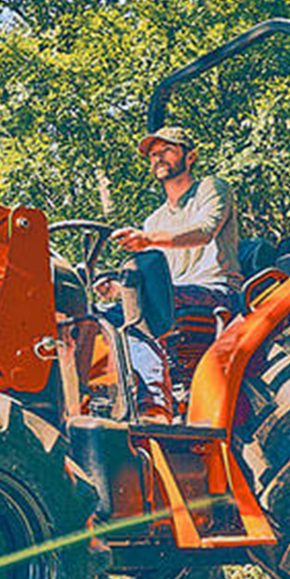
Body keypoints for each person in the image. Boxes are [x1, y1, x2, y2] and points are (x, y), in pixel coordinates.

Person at [98, 125, 241, 410]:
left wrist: (148, 239)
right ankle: (104, 400)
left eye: (167, 150)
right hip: (171, 294)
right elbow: (153, 278)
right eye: (153, 154)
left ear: (190, 157)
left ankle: (154, 403)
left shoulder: (210, 188)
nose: (158, 158)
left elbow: (205, 230)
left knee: (143, 307)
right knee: (94, 316)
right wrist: (114, 289)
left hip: (215, 288)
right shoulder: (154, 220)